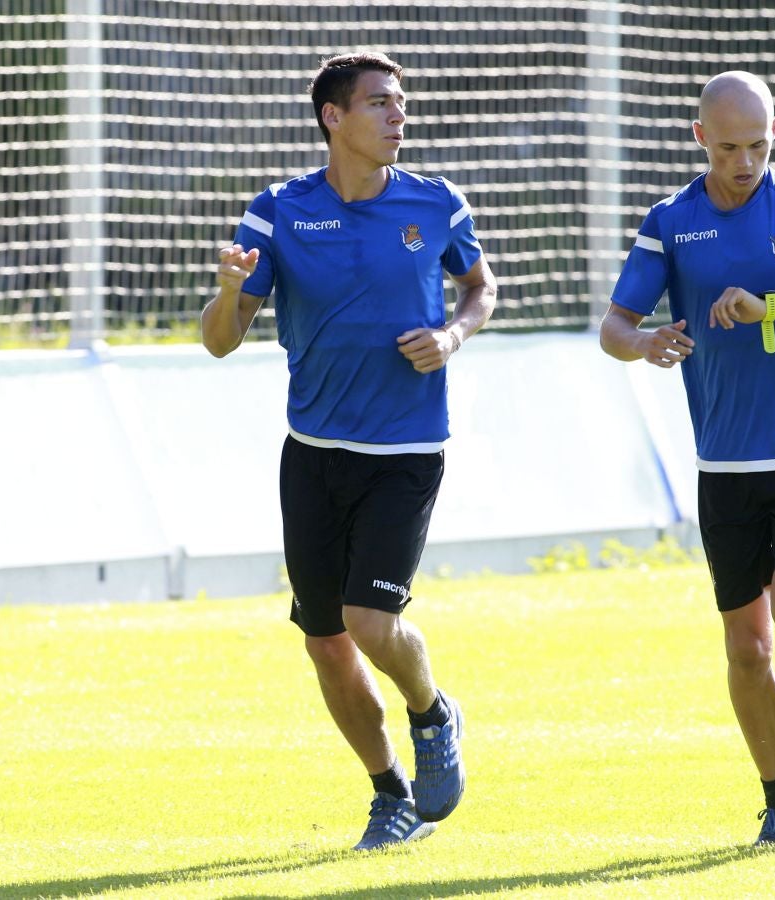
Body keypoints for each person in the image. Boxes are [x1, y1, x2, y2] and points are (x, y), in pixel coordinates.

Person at [201, 51, 497, 851]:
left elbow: (482, 287)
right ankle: (390, 793)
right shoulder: (277, 212)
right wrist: (229, 290)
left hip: (406, 450)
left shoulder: (436, 204)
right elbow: (221, 343)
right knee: (326, 641)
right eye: (380, 105)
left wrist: (452, 334)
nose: (399, 117)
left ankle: (433, 712)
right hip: (314, 454)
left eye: (401, 104)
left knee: (371, 620)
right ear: (334, 117)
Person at [599, 71, 775, 849]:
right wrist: (647, 342)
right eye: (729, 147)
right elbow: (614, 327)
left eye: (759, 145)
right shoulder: (670, 222)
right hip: (725, 469)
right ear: (700, 138)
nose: (745, 161)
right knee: (748, 646)